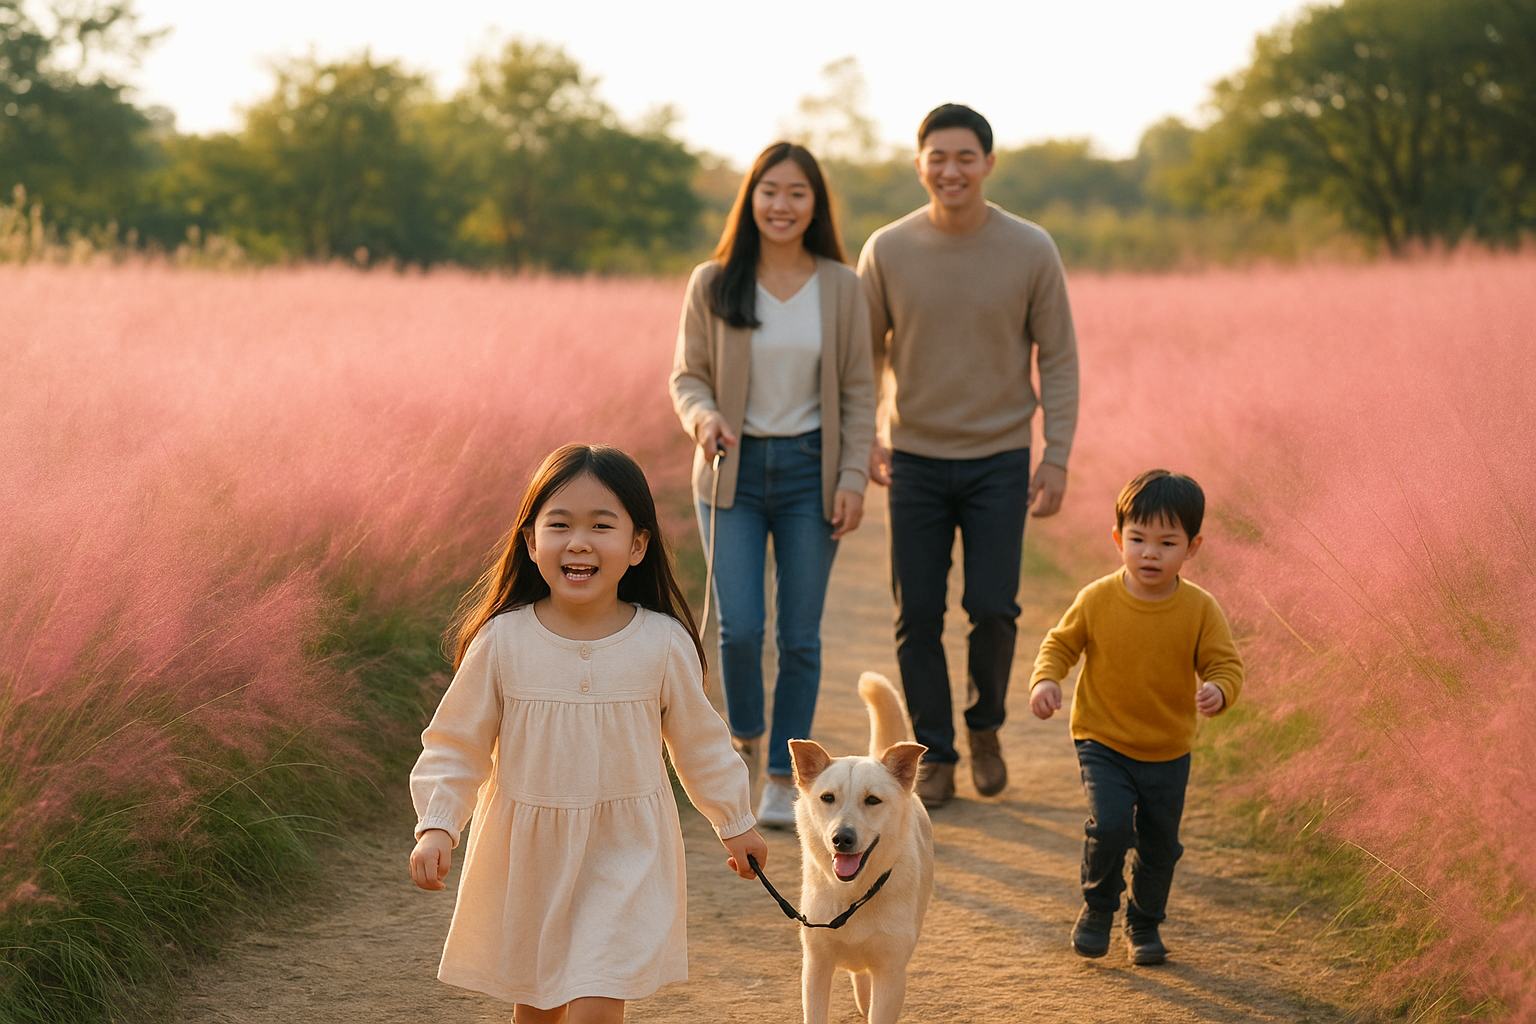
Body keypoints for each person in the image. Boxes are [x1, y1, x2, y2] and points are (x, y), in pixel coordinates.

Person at [408, 444, 769, 1024]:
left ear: (637, 545)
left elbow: (702, 742)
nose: (579, 542)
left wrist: (736, 821)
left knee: (596, 994)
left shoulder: (662, 642)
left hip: (626, 851)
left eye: (602, 525)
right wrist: (438, 825)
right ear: (531, 542)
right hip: (530, 857)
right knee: (540, 1000)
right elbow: (456, 744)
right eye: (560, 525)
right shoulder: (502, 643)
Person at [857, 103, 1080, 808]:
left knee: (993, 607)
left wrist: (1057, 455)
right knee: (917, 613)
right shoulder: (887, 249)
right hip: (916, 458)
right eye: (937, 156)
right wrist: (865, 434)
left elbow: (1061, 358)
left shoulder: (1030, 248)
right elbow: (862, 357)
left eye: (964, 157)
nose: (950, 169)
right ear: (919, 162)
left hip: (1000, 457)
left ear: (988, 163)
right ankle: (937, 754)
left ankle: (984, 729)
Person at [670, 142, 877, 828]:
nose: (781, 205)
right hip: (732, 471)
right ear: (750, 198)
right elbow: (688, 376)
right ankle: (743, 746)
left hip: (810, 474)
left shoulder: (842, 286)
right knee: (738, 629)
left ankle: (785, 778)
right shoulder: (714, 281)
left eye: (797, 193)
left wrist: (852, 476)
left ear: (815, 204)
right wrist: (703, 417)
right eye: (769, 191)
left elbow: (857, 390)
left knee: (799, 636)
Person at [1028, 469, 1244, 966]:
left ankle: (1143, 924)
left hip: (1169, 748)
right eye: (1138, 539)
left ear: (1192, 547)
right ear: (1117, 539)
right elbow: (1060, 644)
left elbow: (1224, 663)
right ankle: (1098, 908)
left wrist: (1218, 689)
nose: (1150, 552)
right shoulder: (1098, 598)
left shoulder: (1199, 609)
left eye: (1167, 542)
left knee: (1160, 846)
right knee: (1109, 828)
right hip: (1102, 739)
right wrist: (1046, 680)